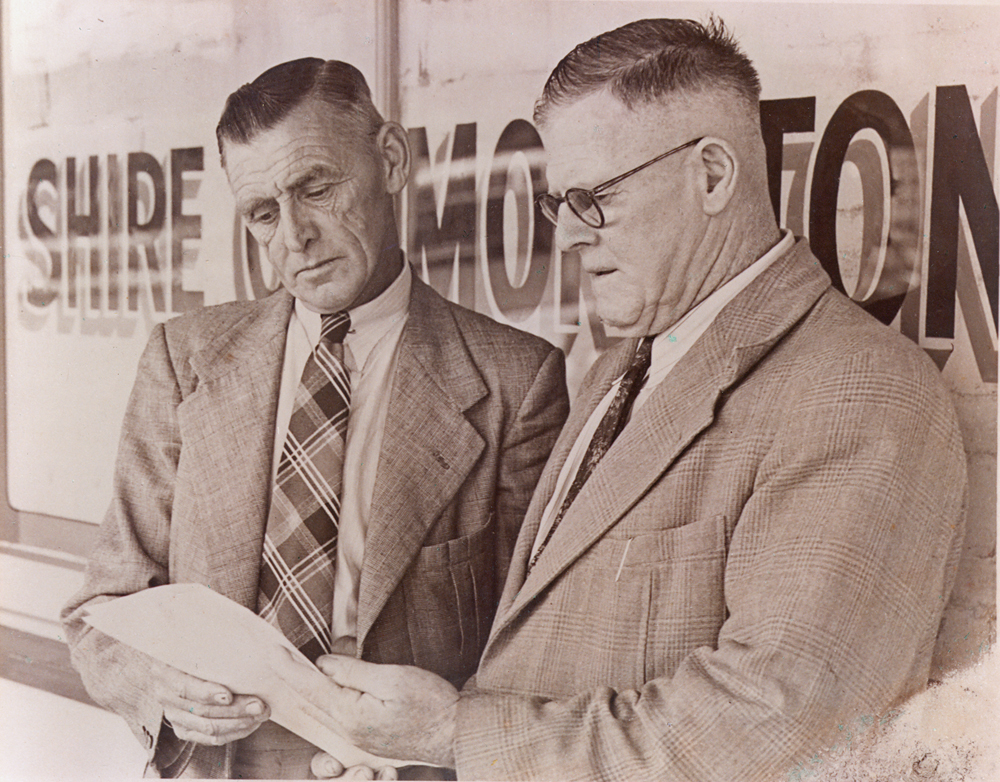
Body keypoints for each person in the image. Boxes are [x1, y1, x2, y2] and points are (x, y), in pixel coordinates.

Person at [287, 19, 969, 781]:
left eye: (594, 198)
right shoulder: (623, 366)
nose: (570, 236)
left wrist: (456, 736)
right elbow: (550, 663)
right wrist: (411, 754)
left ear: (712, 175)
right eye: (559, 204)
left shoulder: (859, 394)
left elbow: (778, 731)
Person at [61, 58, 569, 779]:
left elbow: (537, 645)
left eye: (317, 188)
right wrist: (157, 689)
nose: (293, 236)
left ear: (391, 159)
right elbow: (101, 607)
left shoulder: (516, 380)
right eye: (263, 214)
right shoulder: (185, 359)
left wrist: (432, 745)